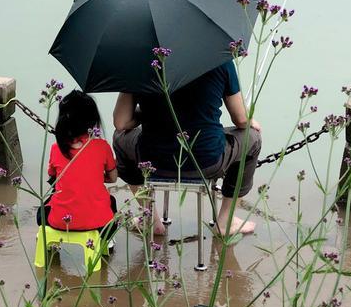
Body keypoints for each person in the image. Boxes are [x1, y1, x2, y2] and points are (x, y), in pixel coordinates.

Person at [113, 60, 261, 236]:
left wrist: (145, 114)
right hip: (208, 162)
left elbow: (121, 123)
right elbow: (240, 119)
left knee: (120, 138)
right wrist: (251, 120)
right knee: (252, 138)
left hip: (153, 161)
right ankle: (225, 221)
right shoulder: (219, 60)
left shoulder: (141, 62)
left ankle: (150, 218)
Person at [46, 90, 118, 233]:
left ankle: (48, 242)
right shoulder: (102, 146)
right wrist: (94, 177)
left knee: (43, 210)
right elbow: (113, 178)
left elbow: (53, 176)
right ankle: (106, 240)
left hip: (60, 221)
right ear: (93, 120)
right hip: (99, 222)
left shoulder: (56, 148)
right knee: (112, 203)